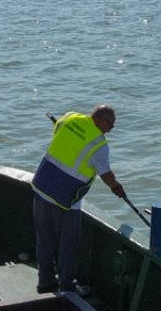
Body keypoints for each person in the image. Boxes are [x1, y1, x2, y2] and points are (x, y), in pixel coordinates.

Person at [31, 105, 127, 295]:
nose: (110, 130)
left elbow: (58, 130)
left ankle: (45, 281)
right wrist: (116, 187)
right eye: (111, 125)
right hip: (65, 199)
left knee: (44, 238)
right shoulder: (99, 144)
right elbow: (105, 174)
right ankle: (67, 286)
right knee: (68, 244)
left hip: (42, 187)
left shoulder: (70, 118)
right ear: (102, 120)